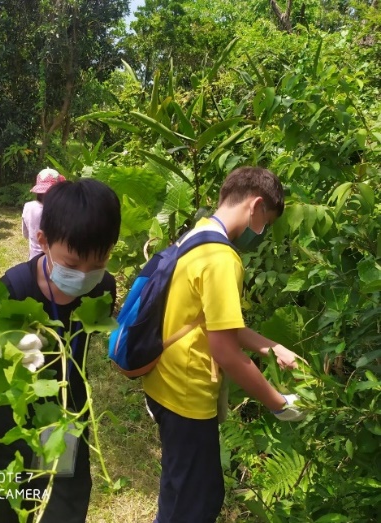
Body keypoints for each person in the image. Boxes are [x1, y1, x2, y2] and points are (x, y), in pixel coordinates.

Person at [142, 166, 306, 523]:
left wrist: (271, 347)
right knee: (194, 505)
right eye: (266, 223)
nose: (261, 233)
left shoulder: (197, 236)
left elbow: (215, 324)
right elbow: (226, 353)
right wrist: (278, 404)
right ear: (256, 206)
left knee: (181, 490)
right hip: (187, 394)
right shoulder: (221, 258)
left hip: (163, 382)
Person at [0, 178, 121, 522]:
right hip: (8, 425)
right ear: (42, 241)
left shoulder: (102, 287)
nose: (84, 277)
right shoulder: (9, 295)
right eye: (72, 264)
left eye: (99, 262)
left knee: (68, 502)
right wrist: (14, 353)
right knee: (13, 510)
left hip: (65, 415)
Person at [22, 168, 66, 260]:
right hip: (53, 260)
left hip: (33, 258)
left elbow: (25, 234)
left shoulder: (28, 206)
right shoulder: (58, 211)